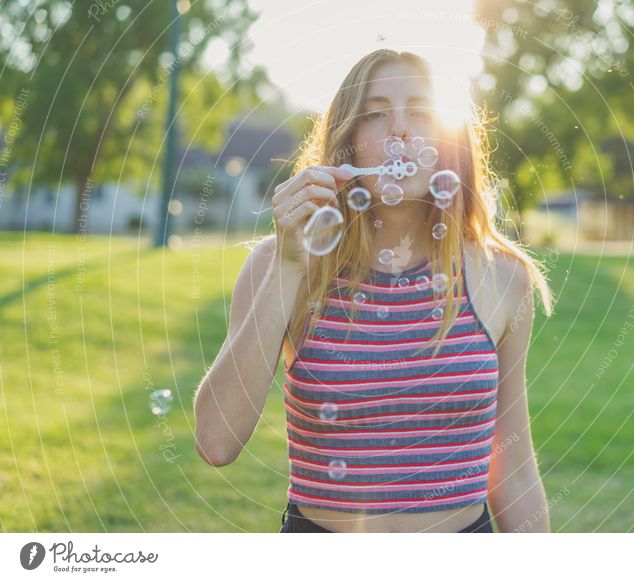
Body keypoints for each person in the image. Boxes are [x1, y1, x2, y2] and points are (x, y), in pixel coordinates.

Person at [193, 48, 555, 533]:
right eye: (375, 113)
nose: (401, 131)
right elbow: (216, 442)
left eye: (421, 112)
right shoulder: (280, 265)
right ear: (347, 143)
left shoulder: (502, 275)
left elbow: (512, 463)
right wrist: (287, 263)